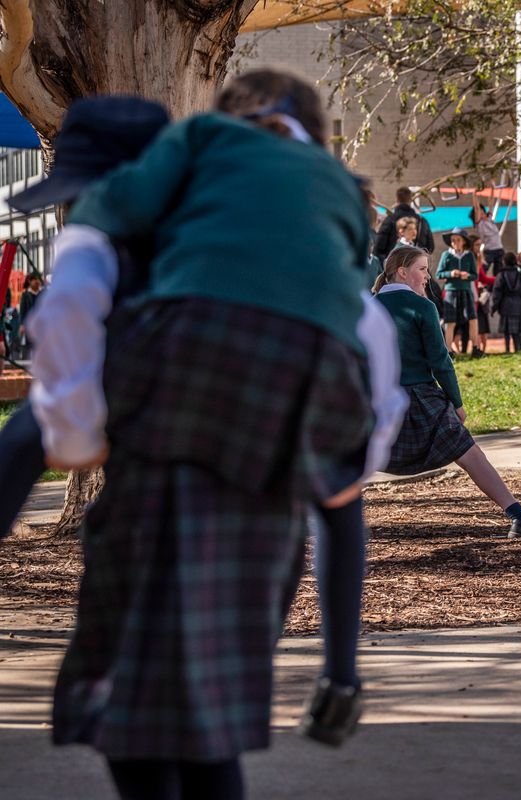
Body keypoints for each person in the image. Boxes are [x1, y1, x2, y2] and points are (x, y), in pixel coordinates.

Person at [31, 72, 407, 799]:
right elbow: (344, 492)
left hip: (165, 437)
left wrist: (75, 435)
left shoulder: (184, 185)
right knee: (211, 728)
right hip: (274, 481)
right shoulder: (342, 240)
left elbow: (84, 262)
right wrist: (341, 672)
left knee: (124, 707)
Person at [0, 96, 171, 540]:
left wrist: (72, 439)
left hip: (128, 393)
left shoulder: (88, 240)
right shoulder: (202, 228)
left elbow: (64, 323)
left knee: (23, 434)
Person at [374, 245, 521, 538]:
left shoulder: (365, 308)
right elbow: (441, 362)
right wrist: (456, 402)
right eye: (422, 269)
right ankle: (520, 518)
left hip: (375, 402)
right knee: (469, 453)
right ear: (402, 272)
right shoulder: (422, 307)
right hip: (420, 400)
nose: (428, 276)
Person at [437, 227, 478, 354]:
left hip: (466, 291)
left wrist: (468, 276)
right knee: (450, 322)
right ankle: (448, 351)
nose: (455, 242)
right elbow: (439, 274)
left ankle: (475, 348)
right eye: (453, 240)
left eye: (458, 240)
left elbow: (475, 275)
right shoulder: (446, 255)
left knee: (473, 320)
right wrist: (451, 273)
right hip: (451, 292)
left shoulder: (469, 256)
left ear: (464, 241)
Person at [374, 186, 433, 259]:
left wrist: (387, 263)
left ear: (397, 199)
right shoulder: (421, 221)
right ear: (411, 199)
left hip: (394, 263)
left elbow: (378, 248)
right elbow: (430, 247)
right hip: (415, 263)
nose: (414, 232)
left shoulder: (390, 220)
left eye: (414, 229)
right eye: (410, 229)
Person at [492, 251, 521, 352]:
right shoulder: (520, 275)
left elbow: (497, 292)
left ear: (504, 262)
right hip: (518, 305)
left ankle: (507, 349)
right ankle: (517, 348)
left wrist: (494, 306)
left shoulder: (501, 275)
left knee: (506, 331)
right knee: (516, 331)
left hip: (505, 305)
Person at [473, 204, 506, 276]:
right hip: (489, 250)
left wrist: (491, 195)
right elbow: (476, 208)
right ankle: (478, 280)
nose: (483, 214)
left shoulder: (490, 219)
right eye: (480, 214)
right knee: (483, 269)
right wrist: (474, 197)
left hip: (499, 249)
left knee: (499, 272)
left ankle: (496, 282)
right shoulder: (479, 224)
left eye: (483, 212)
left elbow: (490, 203)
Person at [14, 273, 41, 359]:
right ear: (30, 281)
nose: (37, 281)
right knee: (29, 344)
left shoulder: (42, 293)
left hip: (41, 323)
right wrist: (22, 324)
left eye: (38, 279)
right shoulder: (25, 295)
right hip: (30, 324)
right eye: (35, 279)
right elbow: (22, 311)